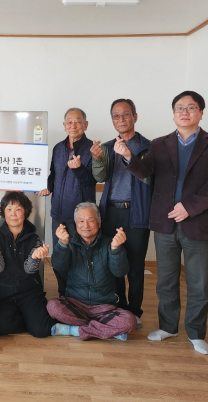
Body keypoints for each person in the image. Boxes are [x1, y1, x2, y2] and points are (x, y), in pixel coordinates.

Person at [115, 90, 208, 355]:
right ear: (173, 114)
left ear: (200, 113)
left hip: (198, 222)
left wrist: (189, 207)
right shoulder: (160, 144)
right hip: (165, 222)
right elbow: (145, 171)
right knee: (166, 280)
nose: (184, 112)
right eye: (179, 108)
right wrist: (129, 157)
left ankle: (196, 333)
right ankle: (168, 326)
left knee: (198, 282)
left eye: (191, 108)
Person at [90, 98, 153, 328]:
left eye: (126, 114)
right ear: (112, 120)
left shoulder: (149, 147)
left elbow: (148, 176)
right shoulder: (107, 147)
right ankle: (118, 309)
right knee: (113, 262)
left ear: (135, 117)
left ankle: (134, 313)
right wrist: (97, 159)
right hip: (110, 212)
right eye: (116, 116)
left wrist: (127, 155)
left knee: (135, 266)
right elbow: (99, 177)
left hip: (137, 212)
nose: (121, 119)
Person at [47, 202, 137, 340]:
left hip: (105, 308)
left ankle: (75, 330)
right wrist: (62, 244)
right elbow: (59, 266)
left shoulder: (111, 243)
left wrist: (116, 250)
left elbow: (120, 272)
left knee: (130, 321)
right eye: (81, 221)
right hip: (75, 304)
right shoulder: (69, 242)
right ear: (76, 224)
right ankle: (106, 330)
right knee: (53, 306)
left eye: (90, 220)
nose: (86, 225)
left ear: (99, 222)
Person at [38, 107, 96, 296]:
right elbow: (53, 175)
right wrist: (47, 187)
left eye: (78, 121)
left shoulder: (92, 149)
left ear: (85, 124)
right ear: (64, 125)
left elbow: (92, 180)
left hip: (81, 216)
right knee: (59, 257)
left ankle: (80, 296)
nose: (73, 125)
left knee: (81, 257)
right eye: (69, 122)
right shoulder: (58, 148)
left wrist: (79, 168)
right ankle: (63, 294)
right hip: (58, 212)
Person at [0, 192, 55, 338]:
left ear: (25, 212)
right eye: (9, 209)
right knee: (0, 327)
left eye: (18, 209)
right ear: (3, 212)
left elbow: (30, 270)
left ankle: (31, 317)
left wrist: (35, 257)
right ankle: (28, 318)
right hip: (2, 292)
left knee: (42, 331)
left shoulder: (35, 239)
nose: (13, 214)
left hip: (28, 291)